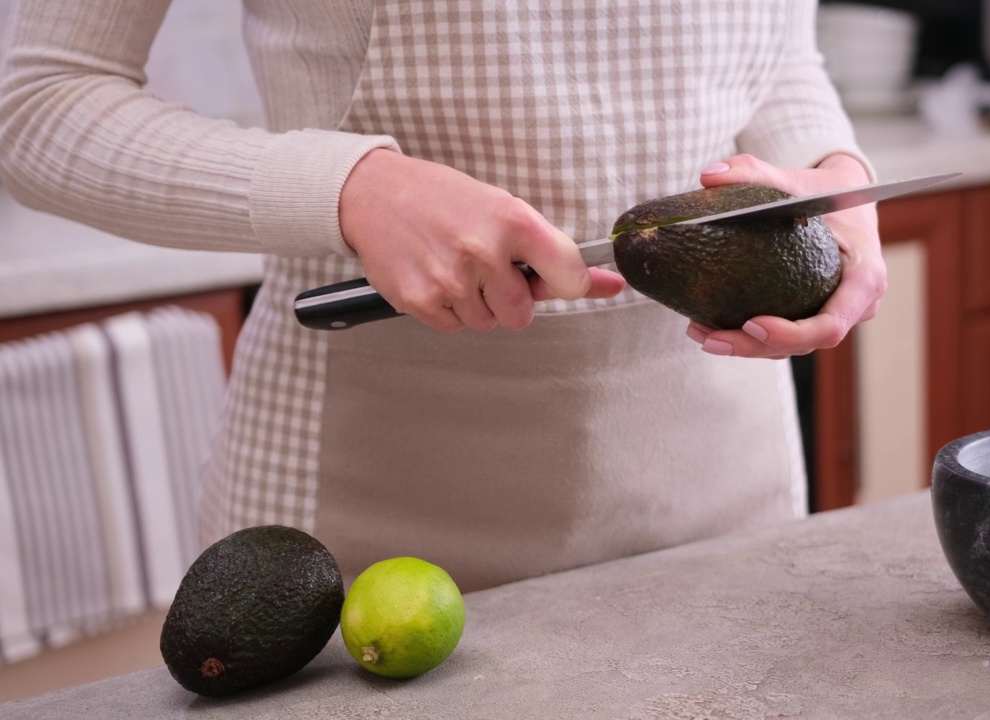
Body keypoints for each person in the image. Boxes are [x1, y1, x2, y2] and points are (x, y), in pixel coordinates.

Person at [0, 0, 885, 592]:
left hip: (721, 487)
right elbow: (36, 101)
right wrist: (351, 188)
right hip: (365, 500)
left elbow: (774, 57)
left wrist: (830, 180)